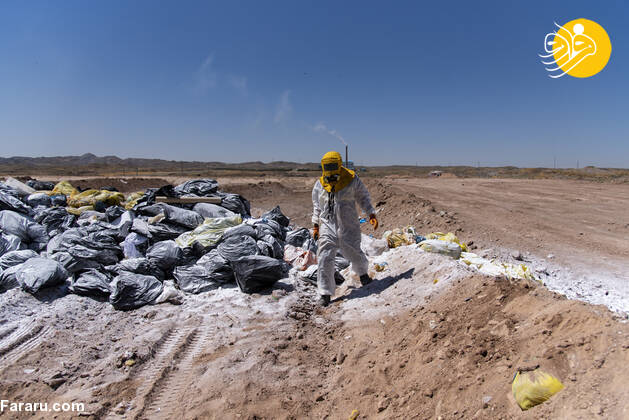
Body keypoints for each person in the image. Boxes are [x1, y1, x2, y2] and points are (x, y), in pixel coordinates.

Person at [311, 151, 378, 307]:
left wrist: (371, 213)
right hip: (327, 224)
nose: (330, 169)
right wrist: (315, 225)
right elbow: (316, 206)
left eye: (332, 166)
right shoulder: (320, 184)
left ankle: (363, 274)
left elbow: (363, 197)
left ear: (339, 164)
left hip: (348, 224)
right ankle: (325, 293)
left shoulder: (351, 179)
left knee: (353, 250)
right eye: (327, 167)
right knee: (325, 256)